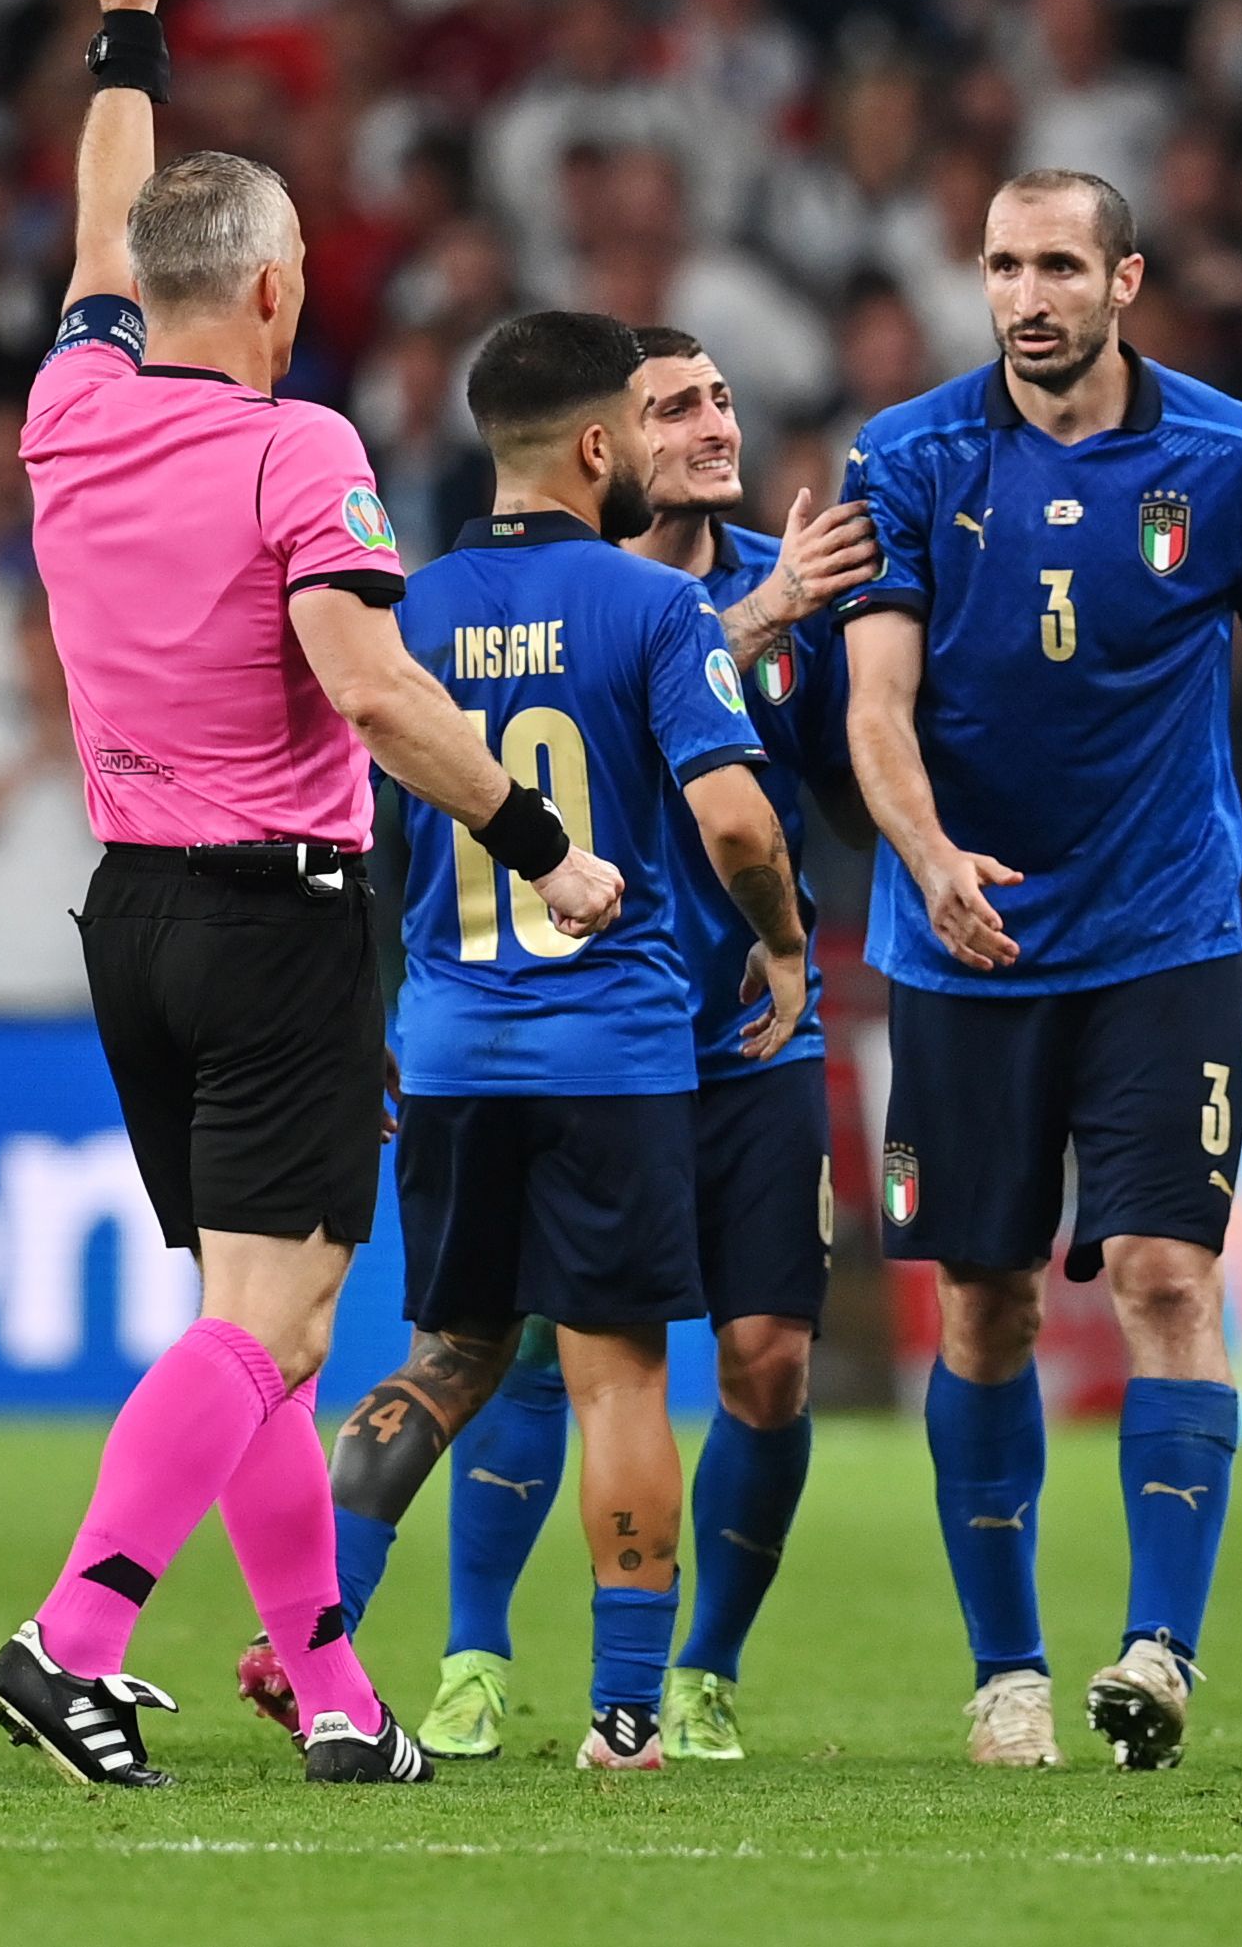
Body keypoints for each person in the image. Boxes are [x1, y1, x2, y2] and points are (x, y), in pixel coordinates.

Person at [0, 0, 622, 1794]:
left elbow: (109, 219)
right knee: (277, 1322)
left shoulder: (69, 404)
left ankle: (334, 1698)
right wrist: (532, 837)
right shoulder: (298, 450)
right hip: (281, 920)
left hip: (135, 919)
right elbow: (368, 687)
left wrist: (126, 28)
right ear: (274, 288)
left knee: (267, 1325)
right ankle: (71, 1634)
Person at [838, 167, 1242, 1771]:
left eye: (1059, 263)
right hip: (966, 940)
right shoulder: (908, 455)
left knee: (1165, 1278)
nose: (1026, 295)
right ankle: (1009, 1673)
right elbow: (874, 703)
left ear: (1126, 277)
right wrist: (931, 863)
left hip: (1164, 937)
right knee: (982, 1305)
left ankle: (1159, 1651)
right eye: (1001, 264)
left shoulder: (1239, 457)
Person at [242, 310, 813, 1774]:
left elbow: (357, 833)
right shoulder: (652, 609)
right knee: (619, 1373)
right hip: (610, 1053)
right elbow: (739, 818)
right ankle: (629, 1710)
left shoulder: (405, 610)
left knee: (445, 1357)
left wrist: (373, 1006)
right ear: (598, 445)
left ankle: (313, 1638)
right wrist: (784, 935)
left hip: (447, 1044)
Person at [410, 324, 878, 1765]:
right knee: (541, 1351)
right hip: (592, 1027)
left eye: (726, 397)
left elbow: (847, 778)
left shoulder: (799, 601)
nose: (715, 423)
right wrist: (755, 625)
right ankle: (477, 1656)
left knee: (770, 1360)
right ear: (609, 440)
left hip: (743, 1029)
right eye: (675, 404)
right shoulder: (619, 601)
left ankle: (703, 1668)